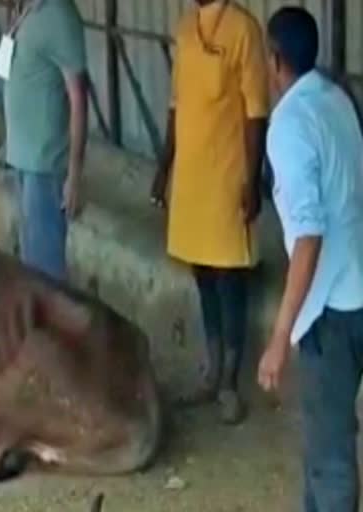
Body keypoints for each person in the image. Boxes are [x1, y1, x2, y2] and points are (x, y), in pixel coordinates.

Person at [257, 7, 363, 511]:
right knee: (323, 448)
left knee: (330, 458)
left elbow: (308, 237)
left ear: (275, 59)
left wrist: (280, 337)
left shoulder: (289, 124)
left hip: (331, 312)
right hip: (358, 289)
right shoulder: (338, 99)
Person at [150, 0, 269, 424]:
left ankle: (230, 384)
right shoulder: (185, 30)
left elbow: (257, 114)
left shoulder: (243, 31)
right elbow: (176, 105)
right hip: (193, 178)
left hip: (227, 176)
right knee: (202, 273)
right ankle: (212, 368)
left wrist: (252, 181)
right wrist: (164, 167)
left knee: (229, 277)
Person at [0, 0, 88, 282]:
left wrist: (74, 174)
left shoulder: (58, 14)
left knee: (44, 272)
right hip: (23, 159)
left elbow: (78, 97)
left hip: (45, 164)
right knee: (30, 264)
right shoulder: (25, 11)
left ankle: (50, 325)